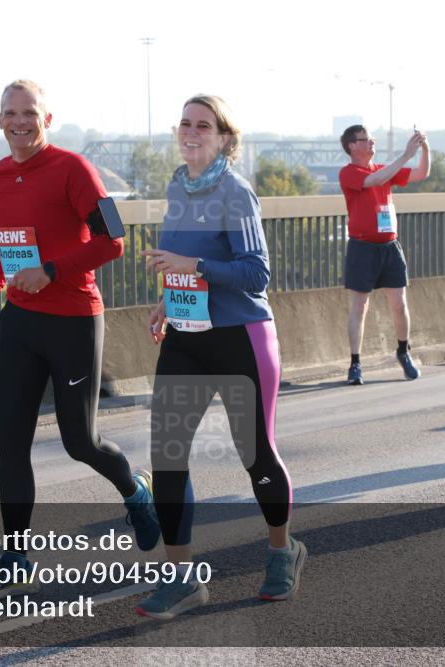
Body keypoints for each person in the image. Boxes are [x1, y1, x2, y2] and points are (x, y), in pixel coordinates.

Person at [0, 80, 160, 600]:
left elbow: (114, 240)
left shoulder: (75, 169)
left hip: (73, 319)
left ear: (47, 119)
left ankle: (135, 489)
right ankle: (15, 556)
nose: (20, 121)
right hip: (20, 324)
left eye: (30, 113)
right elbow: (11, 243)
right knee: (11, 442)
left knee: (80, 441)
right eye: (10, 113)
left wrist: (52, 271)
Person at [136, 95, 304, 620]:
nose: (191, 131)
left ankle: (283, 551)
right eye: (185, 123)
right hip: (187, 336)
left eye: (203, 125)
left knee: (254, 452)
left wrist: (193, 264)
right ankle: (182, 577)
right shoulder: (175, 187)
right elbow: (183, 261)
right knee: (168, 453)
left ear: (224, 137)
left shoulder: (236, 191)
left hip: (240, 336)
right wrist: (170, 296)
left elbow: (256, 274)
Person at [338, 124, 431, 385]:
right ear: (352, 146)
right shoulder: (349, 173)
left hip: (389, 245)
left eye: (372, 139)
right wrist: (405, 155)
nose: (371, 143)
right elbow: (374, 181)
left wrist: (424, 147)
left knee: (399, 305)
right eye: (365, 140)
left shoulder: (384, 170)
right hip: (362, 247)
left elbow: (422, 173)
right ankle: (355, 364)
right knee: (360, 307)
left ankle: (403, 352)